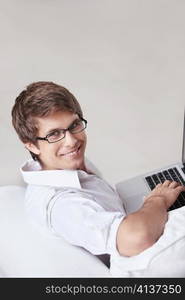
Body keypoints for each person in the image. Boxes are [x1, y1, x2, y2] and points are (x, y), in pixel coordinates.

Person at [11, 81, 185, 276]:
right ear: (31, 145)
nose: (71, 141)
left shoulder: (59, 165)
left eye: (74, 125)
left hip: (126, 218)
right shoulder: (63, 205)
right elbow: (136, 238)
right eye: (54, 134)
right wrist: (156, 200)